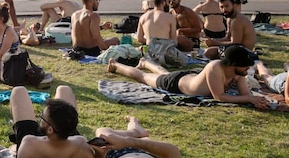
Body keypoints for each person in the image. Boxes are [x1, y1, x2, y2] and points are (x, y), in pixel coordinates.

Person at [107, 45, 270, 109]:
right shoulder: (215, 67)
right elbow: (219, 97)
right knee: (143, 77)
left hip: (188, 78)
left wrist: (256, 100)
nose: (248, 68)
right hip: (176, 84)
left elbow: (244, 95)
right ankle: (116, 65)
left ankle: (145, 62)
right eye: (245, 65)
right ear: (233, 64)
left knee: (164, 73)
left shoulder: (238, 72)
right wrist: (251, 98)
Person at [8, 85, 95, 158]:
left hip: (36, 149)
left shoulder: (29, 144)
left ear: (50, 129)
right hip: (68, 143)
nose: (40, 118)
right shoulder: (82, 146)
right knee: (64, 89)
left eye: (42, 118)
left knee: (18, 91)